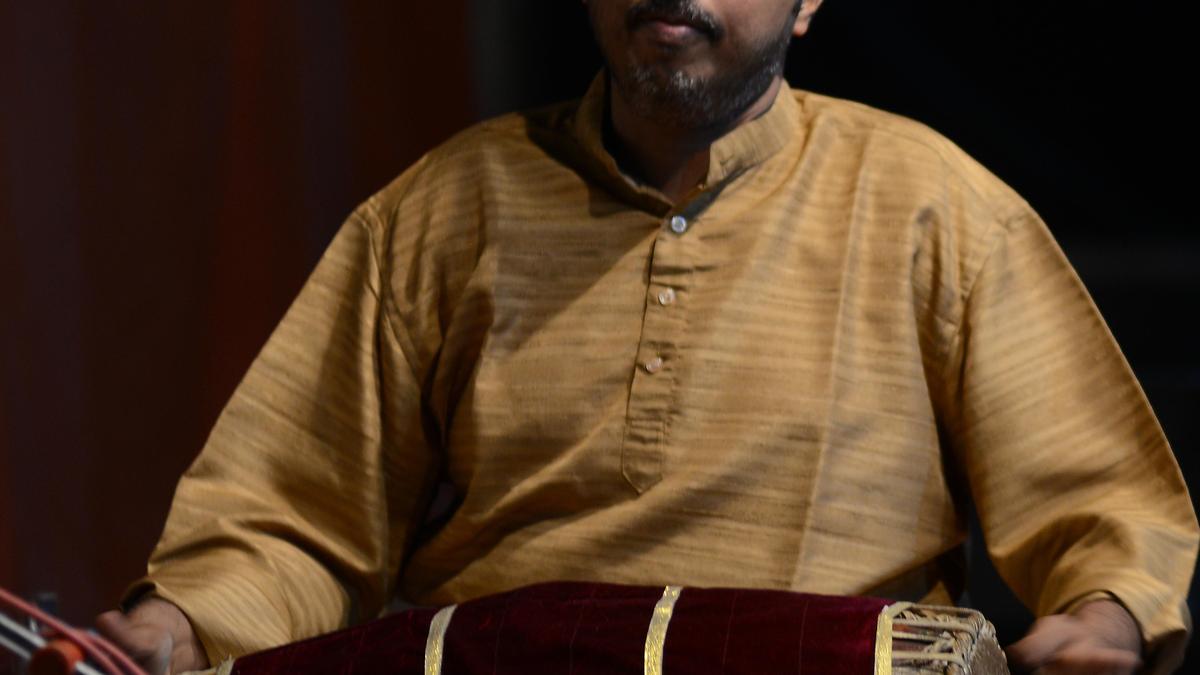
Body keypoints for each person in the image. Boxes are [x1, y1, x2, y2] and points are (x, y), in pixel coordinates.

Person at [96, 1, 1198, 673]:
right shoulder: (442, 210)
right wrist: (182, 626)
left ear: (809, 3)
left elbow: (1099, 509)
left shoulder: (936, 206)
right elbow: (298, 518)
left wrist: (1105, 616)